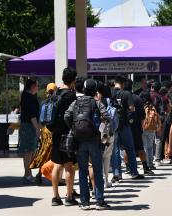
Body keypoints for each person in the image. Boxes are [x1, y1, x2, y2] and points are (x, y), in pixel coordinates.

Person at [64, 79, 111, 210]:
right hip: (94, 141)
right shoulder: (97, 103)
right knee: (97, 170)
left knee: (82, 171)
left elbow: (66, 116)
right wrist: (100, 130)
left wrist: (74, 129)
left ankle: (84, 202)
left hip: (79, 141)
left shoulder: (75, 102)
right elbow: (107, 118)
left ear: (84, 90)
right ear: (95, 90)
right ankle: (99, 201)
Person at [51, 67, 78, 206]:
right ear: (73, 80)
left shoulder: (55, 93)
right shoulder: (71, 95)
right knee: (68, 166)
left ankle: (55, 197)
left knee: (57, 165)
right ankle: (69, 196)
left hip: (55, 133)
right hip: (67, 134)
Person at [111, 76, 144, 182]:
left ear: (115, 82)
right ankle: (134, 172)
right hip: (124, 124)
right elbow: (131, 108)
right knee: (130, 148)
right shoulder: (126, 93)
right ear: (123, 84)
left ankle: (117, 174)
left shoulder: (110, 93)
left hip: (112, 124)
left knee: (115, 149)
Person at [125, 79, 155, 175]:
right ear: (132, 86)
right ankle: (145, 167)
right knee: (140, 148)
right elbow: (142, 116)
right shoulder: (137, 98)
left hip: (124, 127)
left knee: (126, 148)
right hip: (136, 127)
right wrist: (142, 127)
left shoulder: (120, 97)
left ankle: (127, 167)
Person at [30, 83, 57, 184]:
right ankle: (53, 175)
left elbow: (39, 118)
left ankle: (39, 174)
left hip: (44, 130)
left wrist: (40, 130)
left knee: (44, 153)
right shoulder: (56, 101)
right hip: (53, 130)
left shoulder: (43, 103)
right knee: (54, 154)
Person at [19, 79, 40, 183]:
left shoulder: (25, 96)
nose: (38, 88)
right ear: (32, 86)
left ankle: (27, 173)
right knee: (29, 151)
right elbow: (32, 115)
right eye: (37, 86)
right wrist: (37, 128)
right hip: (29, 126)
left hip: (26, 126)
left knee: (29, 151)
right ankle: (28, 174)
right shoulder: (29, 97)